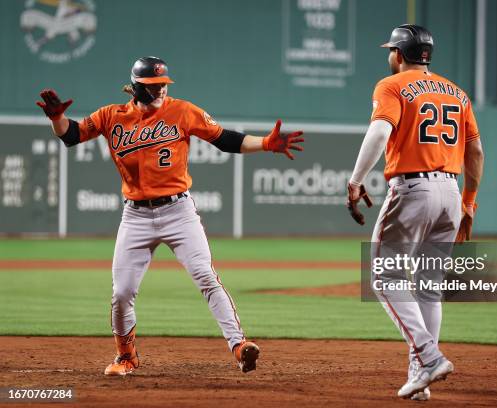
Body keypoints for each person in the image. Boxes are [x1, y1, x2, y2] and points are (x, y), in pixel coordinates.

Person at [35, 56, 304, 376]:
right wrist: (57, 118)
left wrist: (265, 143)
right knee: (121, 292)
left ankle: (239, 345)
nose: (161, 88)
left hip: (179, 211)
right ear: (136, 87)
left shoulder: (182, 110)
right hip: (135, 216)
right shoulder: (111, 116)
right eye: (153, 85)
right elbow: (72, 135)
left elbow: (225, 139)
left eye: (163, 83)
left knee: (206, 275)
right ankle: (126, 356)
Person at [346, 25, 484, 400]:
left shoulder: (391, 85)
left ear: (400, 54)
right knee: (428, 286)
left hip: (413, 189)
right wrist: (469, 202)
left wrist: (357, 180)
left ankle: (428, 355)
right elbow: (476, 153)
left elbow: (377, 135)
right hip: (451, 194)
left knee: (383, 275)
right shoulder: (458, 93)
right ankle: (420, 376)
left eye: (391, 49)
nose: (389, 55)